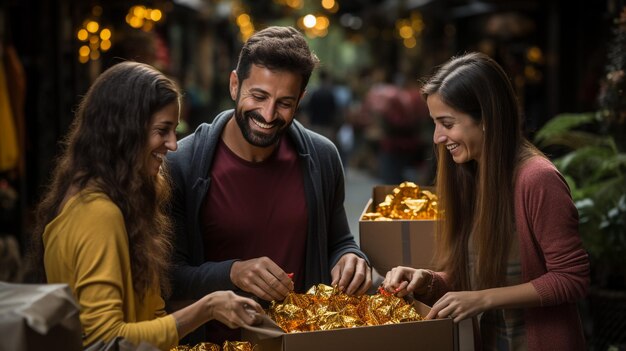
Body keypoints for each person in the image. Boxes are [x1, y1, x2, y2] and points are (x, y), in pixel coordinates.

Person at [27, 61, 263, 350]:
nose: (173, 144)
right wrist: (208, 307)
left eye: (175, 130)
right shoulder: (98, 214)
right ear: (124, 131)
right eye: (162, 130)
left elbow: (142, 320)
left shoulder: (108, 201)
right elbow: (107, 339)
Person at [166, 26, 372, 344]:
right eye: (258, 96)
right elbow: (168, 278)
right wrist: (233, 272)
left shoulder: (322, 157)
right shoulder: (182, 165)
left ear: (301, 99)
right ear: (235, 84)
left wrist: (351, 258)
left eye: (284, 103)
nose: (268, 114)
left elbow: (340, 241)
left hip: (301, 341)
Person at [382, 52, 589, 350]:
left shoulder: (537, 179)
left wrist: (483, 299)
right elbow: (477, 276)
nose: (438, 137)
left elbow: (572, 278)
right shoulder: (472, 174)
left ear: (487, 119)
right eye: (435, 124)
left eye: (447, 123)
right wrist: (425, 280)